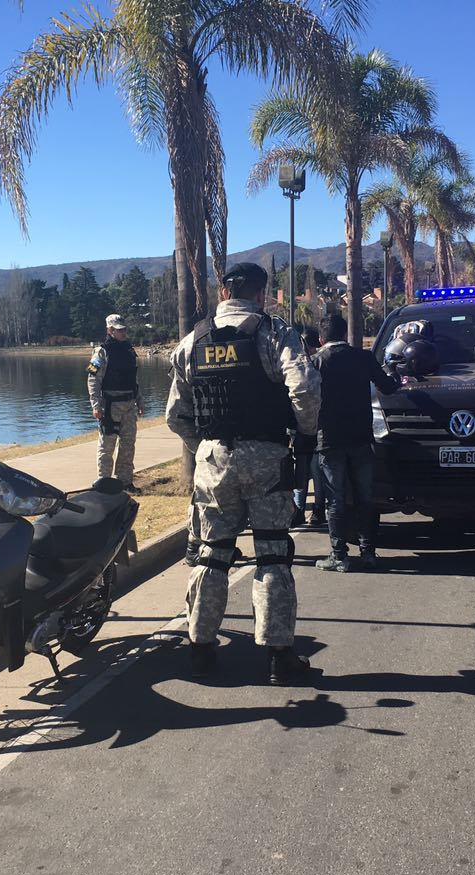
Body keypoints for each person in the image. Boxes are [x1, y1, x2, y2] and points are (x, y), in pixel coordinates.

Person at [165, 261, 321, 683]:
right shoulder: (275, 334)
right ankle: (278, 657)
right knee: (272, 552)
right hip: (267, 457)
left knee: (211, 554)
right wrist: (305, 433)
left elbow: (176, 416)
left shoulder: (192, 341)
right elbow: (304, 388)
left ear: (223, 293)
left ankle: (200, 649)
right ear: (261, 293)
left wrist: (206, 448)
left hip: (213, 461)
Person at [312, 312, 400, 572]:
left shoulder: (316, 362)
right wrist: (396, 373)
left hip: (329, 439)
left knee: (335, 500)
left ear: (321, 339)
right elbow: (387, 387)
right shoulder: (363, 358)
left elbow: (305, 397)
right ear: (344, 334)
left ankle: (339, 555)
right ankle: (368, 551)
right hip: (361, 437)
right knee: (366, 497)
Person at [87, 314, 146, 493]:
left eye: (124, 329)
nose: (123, 332)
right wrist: (96, 405)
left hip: (129, 404)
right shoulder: (101, 352)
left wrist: (140, 401)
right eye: (119, 330)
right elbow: (92, 379)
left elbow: (134, 379)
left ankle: (125, 482)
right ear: (110, 330)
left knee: (128, 445)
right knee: (107, 446)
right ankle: (103, 485)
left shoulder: (129, 350)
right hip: (110, 406)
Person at [291, 326, 326, 527]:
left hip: (313, 427)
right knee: (305, 470)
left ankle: (314, 509)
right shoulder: (308, 364)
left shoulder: (312, 364)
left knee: (312, 469)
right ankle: (303, 509)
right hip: (306, 428)